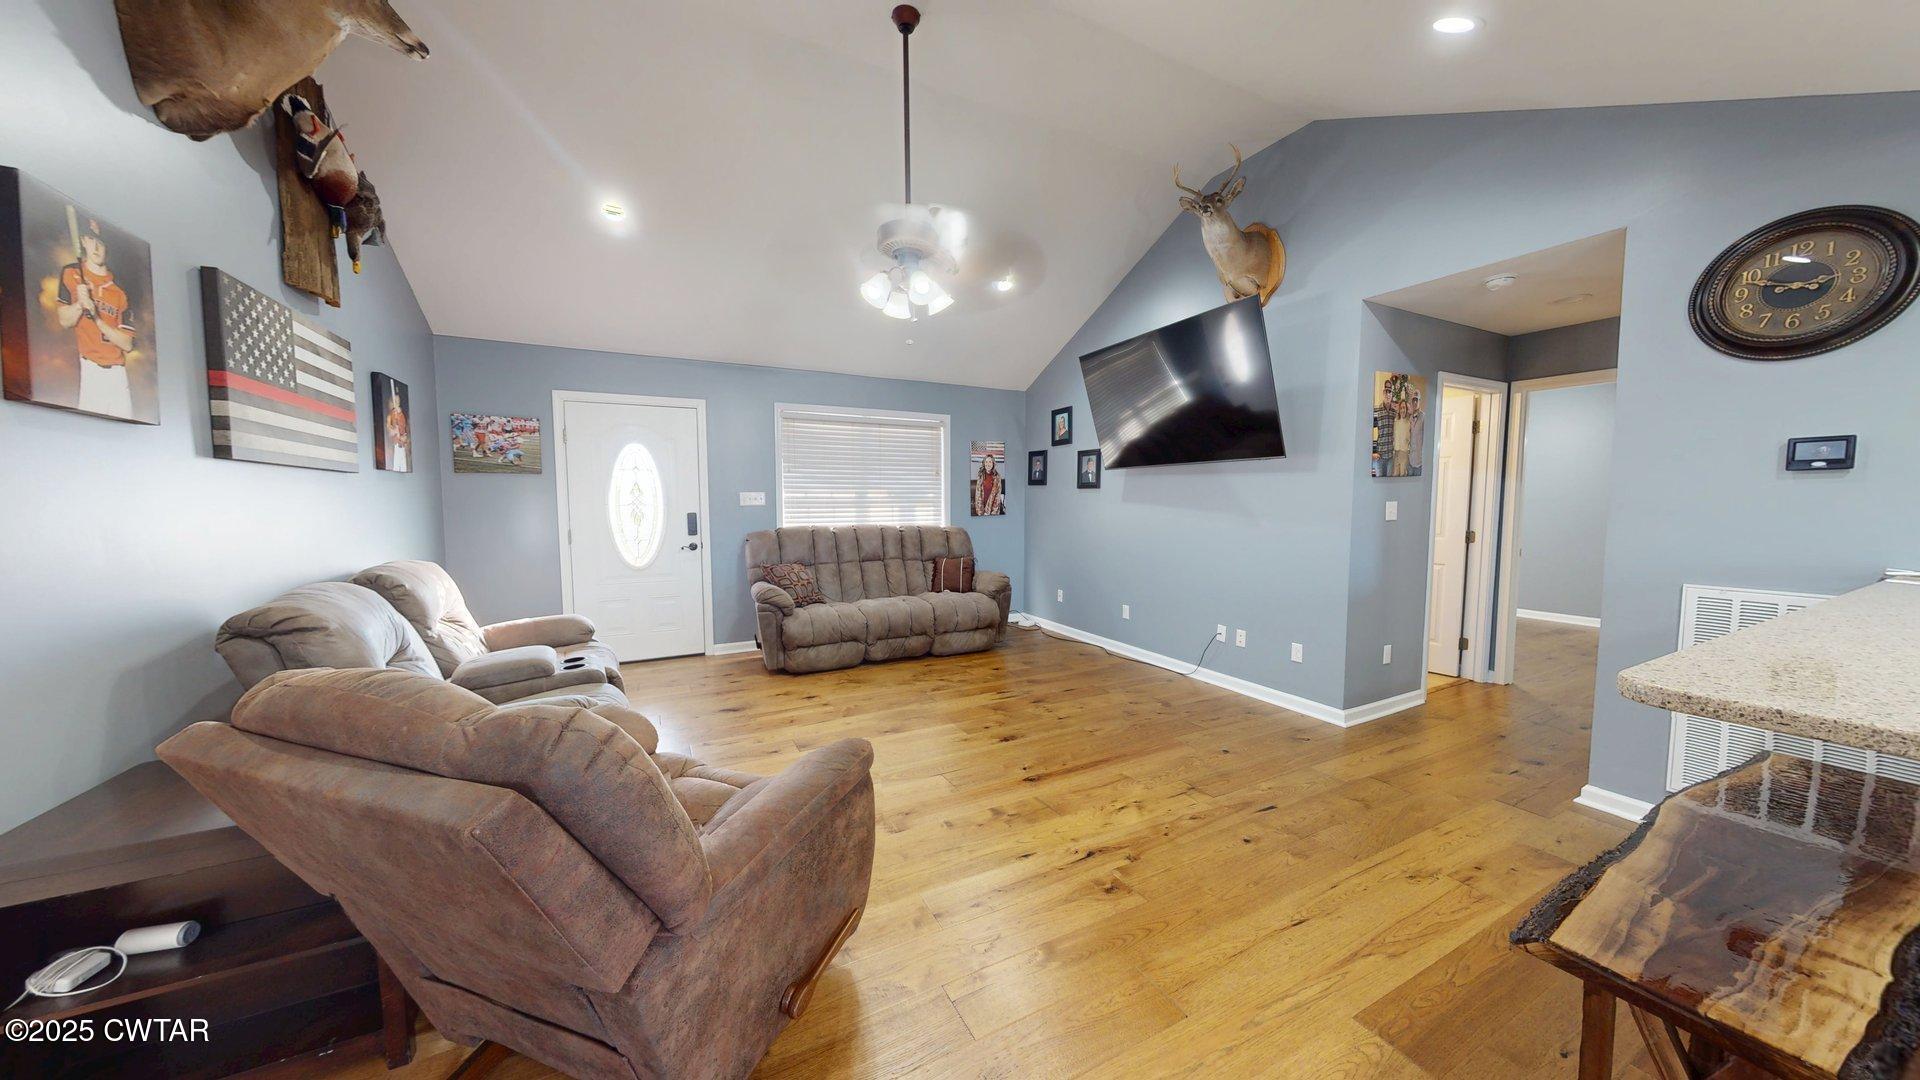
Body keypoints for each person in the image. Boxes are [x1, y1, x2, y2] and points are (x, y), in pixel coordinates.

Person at [54, 218, 135, 418]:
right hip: (88, 367)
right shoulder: (71, 272)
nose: (96, 248)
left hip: (117, 373)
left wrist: (96, 317)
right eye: (91, 240)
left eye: (101, 242)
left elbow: (127, 344)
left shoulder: (121, 289)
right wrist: (80, 303)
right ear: (83, 241)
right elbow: (64, 321)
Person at [383, 382, 410, 471]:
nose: (396, 405)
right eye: (394, 402)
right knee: (396, 466)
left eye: (398, 402)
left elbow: (404, 429)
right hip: (394, 446)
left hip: (402, 445)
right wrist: (394, 431)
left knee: (403, 467)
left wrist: (403, 437)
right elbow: (389, 431)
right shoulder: (390, 417)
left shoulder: (401, 416)